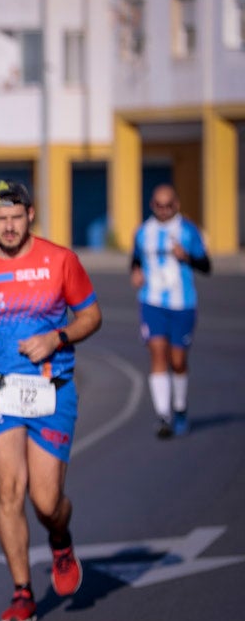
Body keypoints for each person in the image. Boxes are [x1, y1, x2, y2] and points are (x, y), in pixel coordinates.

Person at [0, 180, 102, 621]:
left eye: (17, 218)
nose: (9, 227)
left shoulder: (60, 260)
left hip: (52, 388)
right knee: (8, 489)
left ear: (30, 215)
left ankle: (61, 538)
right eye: (1, 219)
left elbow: (91, 314)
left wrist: (59, 336)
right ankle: (22, 592)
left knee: (46, 500)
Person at [130, 184, 211, 438]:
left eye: (168, 205)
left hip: (182, 303)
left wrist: (186, 256)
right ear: (152, 205)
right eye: (158, 205)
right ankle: (163, 415)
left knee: (177, 360)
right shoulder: (143, 232)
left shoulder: (188, 230)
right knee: (157, 354)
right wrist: (135, 271)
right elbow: (135, 258)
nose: (163, 210)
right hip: (151, 301)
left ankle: (180, 407)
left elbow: (206, 265)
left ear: (176, 204)